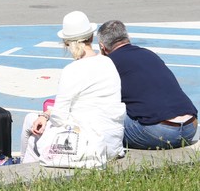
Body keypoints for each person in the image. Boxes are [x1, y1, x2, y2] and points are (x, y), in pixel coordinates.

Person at [21, 11, 125, 167]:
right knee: (36, 134)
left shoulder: (72, 70)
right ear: (91, 37)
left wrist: (46, 115)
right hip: (112, 143)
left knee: (31, 122)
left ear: (67, 43)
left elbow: (59, 118)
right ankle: (26, 167)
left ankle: (22, 170)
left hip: (88, 145)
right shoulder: (108, 63)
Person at [97, 20, 199, 149]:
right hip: (190, 127)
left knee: (104, 120)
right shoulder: (149, 54)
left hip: (159, 131)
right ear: (128, 38)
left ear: (102, 46)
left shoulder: (108, 63)